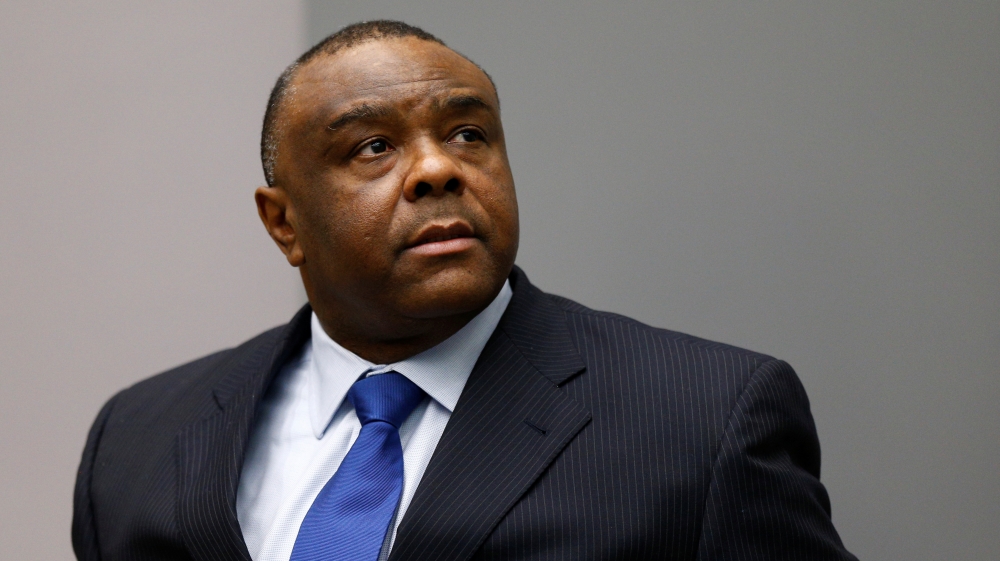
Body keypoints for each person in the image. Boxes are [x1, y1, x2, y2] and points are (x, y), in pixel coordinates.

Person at [72, 20, 857, 561]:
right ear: (284, 224)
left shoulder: (706, 418)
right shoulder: (138, 439)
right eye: (374, 146)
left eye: (467, 134)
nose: (438, 168)